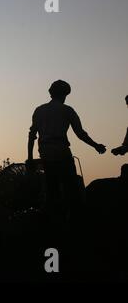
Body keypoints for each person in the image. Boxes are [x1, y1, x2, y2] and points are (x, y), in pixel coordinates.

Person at [27, 80, 106, 227]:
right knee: (72, 188)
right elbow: (80, 134)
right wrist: (96, 145)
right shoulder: (67, 110)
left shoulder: (39, 110)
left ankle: (54, 223)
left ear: (51, 93)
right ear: (64, 94)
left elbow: (32, 135)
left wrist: (30, 158)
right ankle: (74, 223)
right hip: (62, 151)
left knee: (52, 189)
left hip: (45, 152)